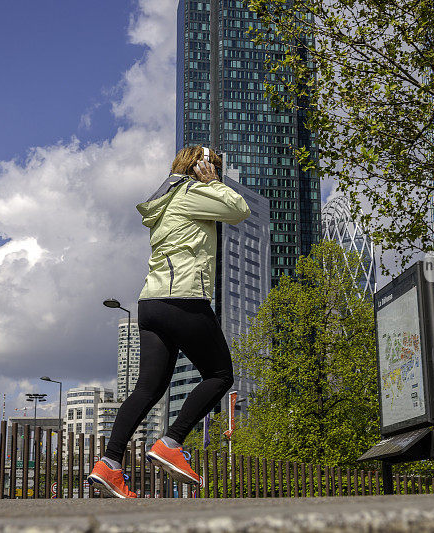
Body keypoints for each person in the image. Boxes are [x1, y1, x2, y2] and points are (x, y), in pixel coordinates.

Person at [87, 145, 251, 498]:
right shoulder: (193, 192)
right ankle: (171, 442)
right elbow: (239, 210)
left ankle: (110, 464)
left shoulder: (166, 199)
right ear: (202, 166)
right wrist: (215, 184)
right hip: (183, 298)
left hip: (151, 303)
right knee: (221, 375)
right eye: (215, 166)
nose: (218, 173)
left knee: (147, 389)